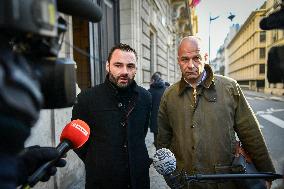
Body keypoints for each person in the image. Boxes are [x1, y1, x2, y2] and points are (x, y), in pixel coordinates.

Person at [157, 36, 276, 189]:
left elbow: (251, 132)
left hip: (225, 181)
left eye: (196, 58)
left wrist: (265, 172)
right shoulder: (169, 95)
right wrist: (172, 177)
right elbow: (163, 141)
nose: (190, 65)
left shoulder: (229, 87)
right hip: (186, 182)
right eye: (185, 60)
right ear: (178, 60)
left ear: (206, 58)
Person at [72, 43, 152, 189]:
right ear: (108, 66)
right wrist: (97, 161)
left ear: (135, 69)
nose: (124, 71)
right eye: (118, 65)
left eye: (130, 66)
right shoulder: (86, 99)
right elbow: (78, 141)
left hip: (138, 180)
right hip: (102, 181)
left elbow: (141, 132)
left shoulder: (146, 97)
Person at [148, 72, 167, 148]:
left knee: (157, 141)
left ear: (153, 80)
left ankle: (159, 157)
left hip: (154, 121)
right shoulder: (166, 90)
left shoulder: (149, 92)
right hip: (165, 120)